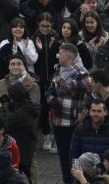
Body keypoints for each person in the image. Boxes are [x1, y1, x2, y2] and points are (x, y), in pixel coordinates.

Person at [47, 43, 93, 184]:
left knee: (73, 156)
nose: (57, 56)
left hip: (73, 122)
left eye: (59, 53)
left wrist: (84, 113)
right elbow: (49, 90)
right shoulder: (58, 69)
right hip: (57, 121)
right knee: (62, 157)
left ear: (67, 56)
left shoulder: (82, 73)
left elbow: (93, 97)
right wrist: (52, 100)